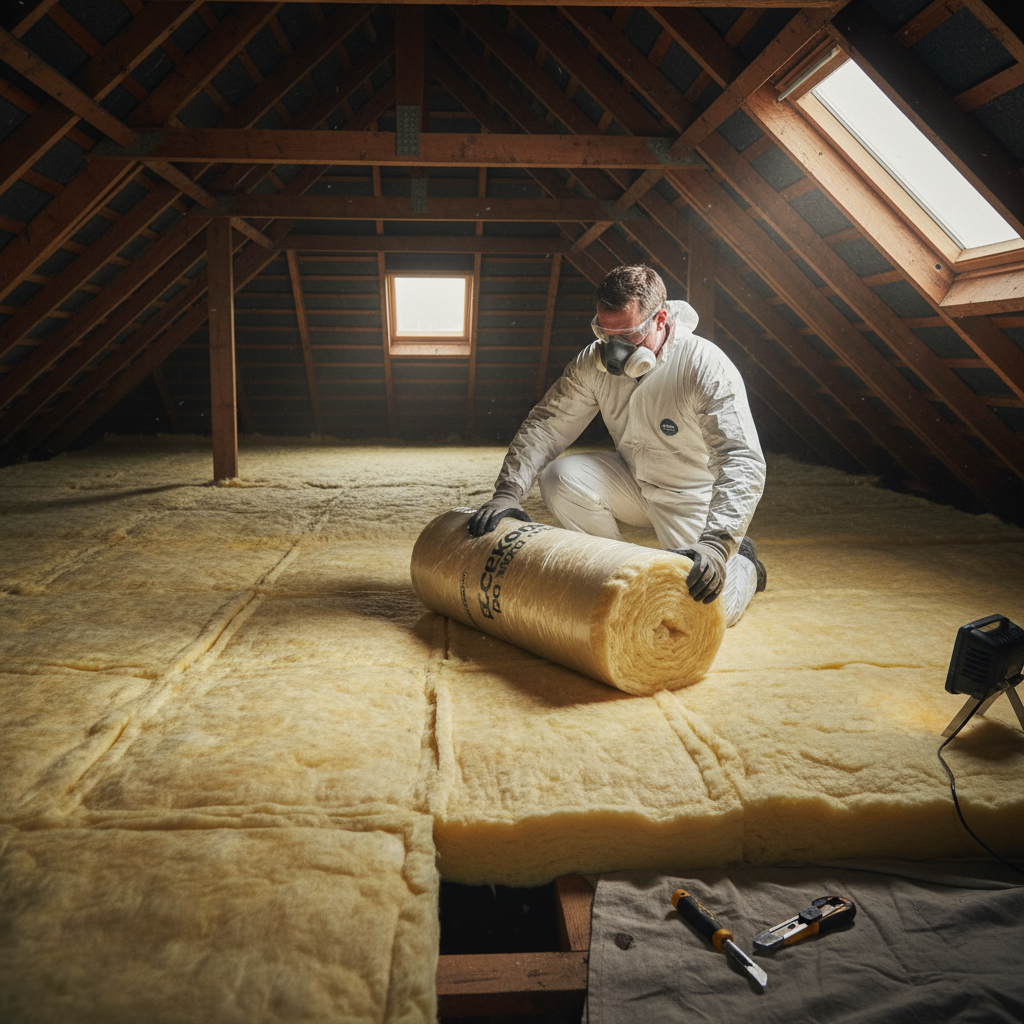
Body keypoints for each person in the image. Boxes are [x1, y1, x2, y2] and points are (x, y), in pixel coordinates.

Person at [467, 264, 767, 627]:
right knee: (560, 478)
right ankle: (619, 573)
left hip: (691, 495)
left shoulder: (704, 365)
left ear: (660, 319)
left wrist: (717, 544)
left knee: (707, 611)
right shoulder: (593, 363)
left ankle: (745, 563)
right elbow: (547, 425)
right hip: (634, 481)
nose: (616, 352)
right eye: (606, 334)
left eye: (628, 336)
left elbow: (741, 459)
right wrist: (508, 491)